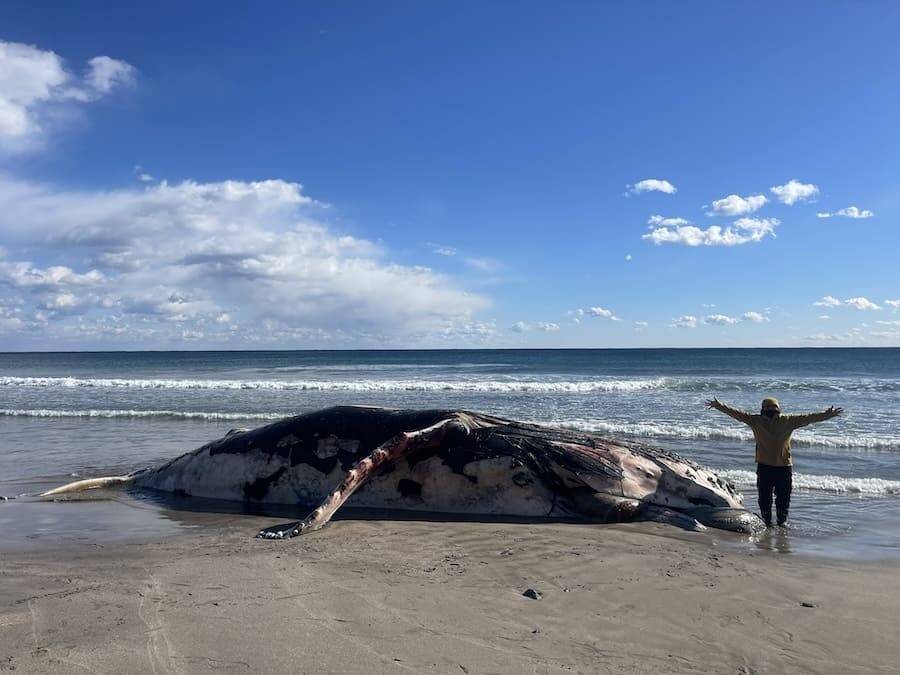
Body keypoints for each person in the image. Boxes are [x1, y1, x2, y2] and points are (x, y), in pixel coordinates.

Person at [706, 397, 842, 528]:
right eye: (769, 408)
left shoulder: (787, 420)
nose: (772, 410)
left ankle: (781, 523)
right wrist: (719, 406)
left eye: (774, 408)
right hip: (765, 466)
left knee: (783, 498)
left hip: (784, 467)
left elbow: (809, 418)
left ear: (778, 409)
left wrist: (826, 415)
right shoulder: (756, 420)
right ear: (763, 409)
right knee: (764, 498)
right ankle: (767, 523)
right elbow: (736, 414)